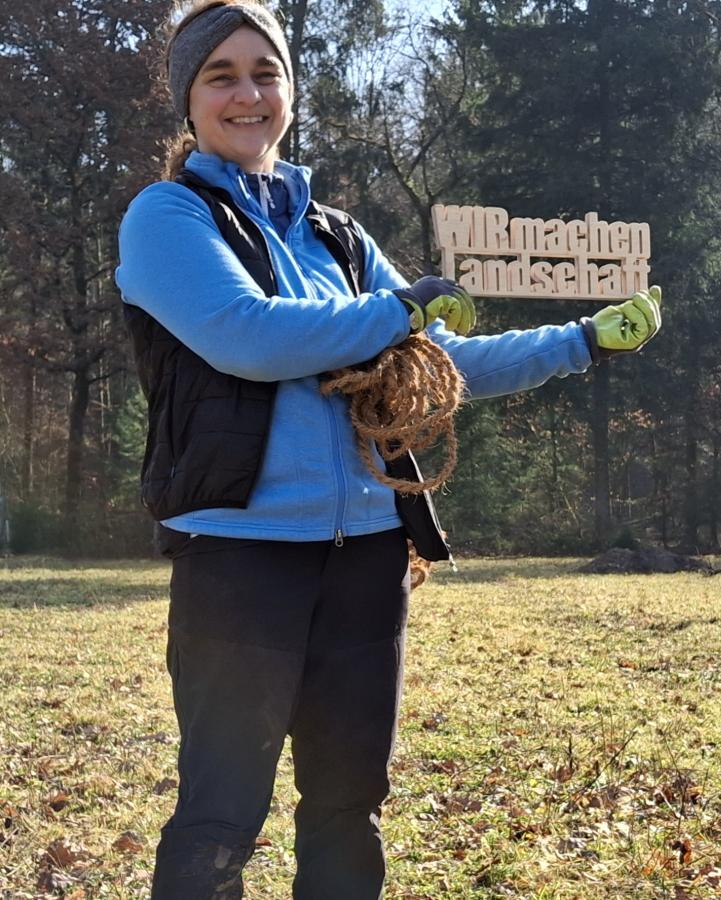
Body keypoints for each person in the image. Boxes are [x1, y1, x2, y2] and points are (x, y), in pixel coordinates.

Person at [115, 3, 663, 896]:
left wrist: (582, 340)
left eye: (266, 72)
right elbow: (244, 334)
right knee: (220, 814)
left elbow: (434, 367)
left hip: (368, 559)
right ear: (188, 99)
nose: (248, 93)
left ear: (290, 90)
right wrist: (397, 308)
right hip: (240, 560)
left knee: (347, 806)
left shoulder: (335, 236)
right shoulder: (168, 216)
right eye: (222, 75)